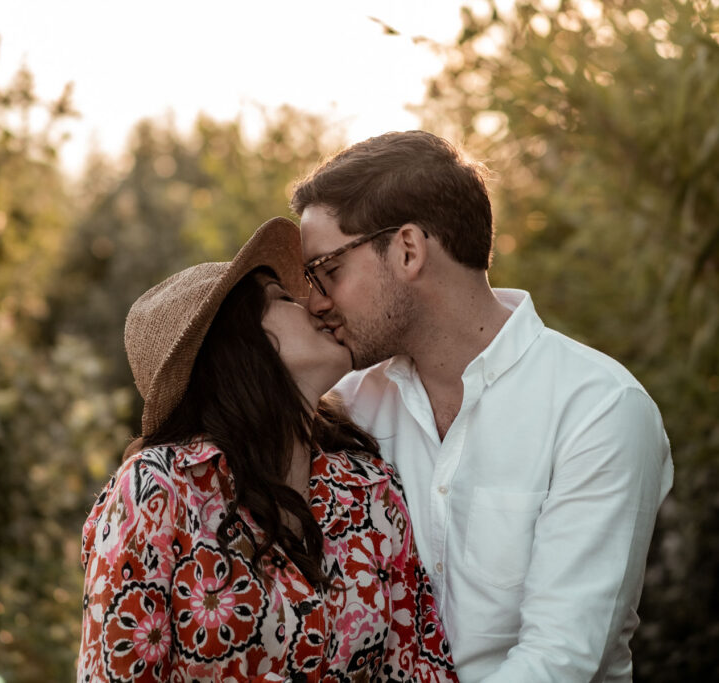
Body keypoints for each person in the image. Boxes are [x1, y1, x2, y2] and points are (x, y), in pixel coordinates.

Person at [290, 131, 674, 682]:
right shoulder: (349, 407)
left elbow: (562, 659)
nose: (317, 301)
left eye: (327, 271)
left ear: (407, 250)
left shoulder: (598, 409)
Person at [76, 217, 458, 682]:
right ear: (241, 346)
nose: (315, 306)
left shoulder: (371, 494)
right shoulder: (157, 492)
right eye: (282, 299)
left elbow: (420, 668)